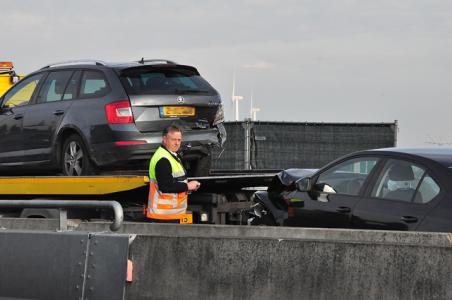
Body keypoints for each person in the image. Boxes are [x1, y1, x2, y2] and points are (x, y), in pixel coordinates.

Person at [146, 125, 201, 222]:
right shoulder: (163, 159)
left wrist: (188, 186)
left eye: (179, 140)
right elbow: (165, 186)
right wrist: (187, 186)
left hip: (170, 214)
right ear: (164, 139)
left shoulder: (170, 156)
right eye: (173, 140)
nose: (177, 143)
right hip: (163, 216)